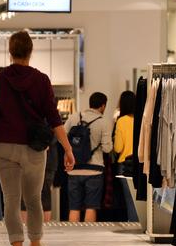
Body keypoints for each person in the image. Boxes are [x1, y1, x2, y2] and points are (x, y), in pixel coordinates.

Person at [0, 30, 75, 246]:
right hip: (33, 148)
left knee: (11, 200)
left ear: (10, 52)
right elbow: (54, 118)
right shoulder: (41, 80)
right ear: (30, 52)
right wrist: (67, 149)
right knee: (33, 199)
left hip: (3, 147)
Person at [64, 92, 113, 222]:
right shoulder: (104, 122)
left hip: (73, 169)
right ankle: (88, 237)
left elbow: (62, 137)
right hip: (94, 170)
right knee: (91, 206)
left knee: (74, 207)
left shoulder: (74, 117)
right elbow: (107, 148)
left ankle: (71, 237)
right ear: (103, 106)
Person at [21, 136, 58, 224]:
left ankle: (40, 225)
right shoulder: (51, 124)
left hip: (41, 160)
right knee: (43, 192)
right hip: (43, 160)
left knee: (38, 191)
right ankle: (28, 224)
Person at [113, 91, 136, 172]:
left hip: (125, 162)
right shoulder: (142, 120)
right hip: (140, 163)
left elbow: (118, 148)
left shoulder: (121, 121)